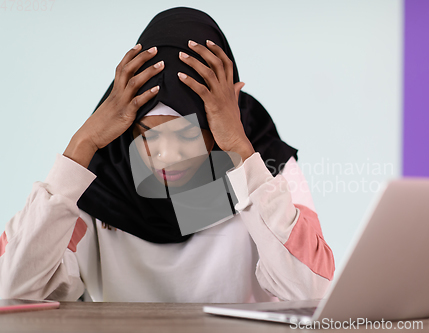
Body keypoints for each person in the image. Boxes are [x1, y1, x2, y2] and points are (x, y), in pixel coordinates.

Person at [0, 7, 334, 303]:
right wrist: (81, 145)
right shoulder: (98, 178)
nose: (164, 157)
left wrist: (242, 154)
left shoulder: (266, 163)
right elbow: (11, 287)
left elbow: (314, 290)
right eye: (146, 133)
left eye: (187, 133)